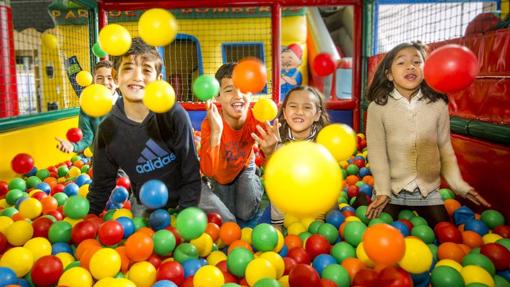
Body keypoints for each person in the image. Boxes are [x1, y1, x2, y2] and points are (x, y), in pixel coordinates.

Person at [364, 41, 490, 228]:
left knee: (444, 232)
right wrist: (382, 190)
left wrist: (458, 185)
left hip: (427, 191)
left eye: (417, 62)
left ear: (427, 71)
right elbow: (377, 153)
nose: (410, 66)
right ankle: (361, 199)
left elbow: (445, 149)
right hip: (391, 189)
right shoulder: (378, 107)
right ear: (388, 74)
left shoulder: (438, 105)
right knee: (377, 227)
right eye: (401, 62)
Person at [87, 38, 201, 216]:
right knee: (142, 241)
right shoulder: (107, 129)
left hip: (190, 194)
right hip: (146, 201)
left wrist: (185, 214)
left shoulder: (173, 114)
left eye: (146, 69)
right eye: (128, 68)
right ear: (116, 77)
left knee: (226, 224)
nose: (137, 77)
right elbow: (101, 185)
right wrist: (88, 218)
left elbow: (191, 171)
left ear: (158, 79)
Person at [251, 85, 330, 228]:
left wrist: (319, 218)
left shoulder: (323, 142)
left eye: (307, 107)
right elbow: (273, 181)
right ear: (285, 113)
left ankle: (319, 219)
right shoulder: (277, 140)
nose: (299, 112)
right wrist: (269, 153)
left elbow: (326, 183)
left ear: (317, 115)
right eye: (293, 106)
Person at [199, 63, 264, 223]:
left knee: (245, 213)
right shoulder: (210, 124)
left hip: (244, 167)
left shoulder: (257, 118)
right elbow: (208, 170)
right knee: (228, 214)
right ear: (217, 96)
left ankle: (256, 176)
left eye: (243, 89)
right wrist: (216, 133)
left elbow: (274, 159)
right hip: (220, 175)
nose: (238, 95)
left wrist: (270, 150)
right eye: (229, 90)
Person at [56, 60, 119, 153]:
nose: (105, 82)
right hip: (101, 159)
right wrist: (73, 146)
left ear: (117, 82)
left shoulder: (127, 104)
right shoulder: (87, 106)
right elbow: (86, 136)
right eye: (100, 78)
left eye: (110, 78)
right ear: (94, 81)